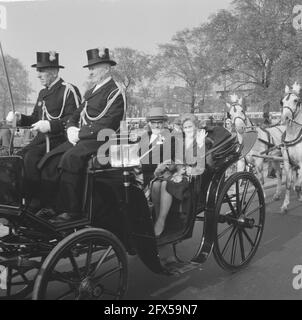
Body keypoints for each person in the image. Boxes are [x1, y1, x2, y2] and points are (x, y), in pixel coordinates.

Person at [36, 47, 126, 221]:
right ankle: (51, 205)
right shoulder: (91, 92)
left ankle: (71, 210)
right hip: (84, 138)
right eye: (89, 68)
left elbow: (109, 123)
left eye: (93, 68)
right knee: (50, 159)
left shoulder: (115, 92)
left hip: (102, 139)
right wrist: (70, 128)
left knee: (71, 158)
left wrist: (81, 133)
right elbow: (76, 114)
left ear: (106, 68)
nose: (90, 71)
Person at [6, 51, 81, 207]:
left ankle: (36, 202)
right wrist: (20, 118)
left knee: (31, 158)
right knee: (16, 158)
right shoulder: (42, 93)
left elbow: (75, 118)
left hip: (60, 139)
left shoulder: (68, 90)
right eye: (38, 71)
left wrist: (51, 125)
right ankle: (17, 199)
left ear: (54, 72)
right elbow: (35, 118)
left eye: (42, 71)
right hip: (41, 140)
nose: (38, 75)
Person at [152, 113, 206, 237]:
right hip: (177, 174)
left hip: (192, 178)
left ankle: (161, 221)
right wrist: (166, 165)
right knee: (155, 184)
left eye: (190, 127)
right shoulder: (180, 142)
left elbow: (204, 166)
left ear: (196, 127)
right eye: (185, 128)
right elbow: (177, 162)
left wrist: (201, 145)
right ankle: (158, 216)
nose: (187, 130)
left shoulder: (202, 141)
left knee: (166, 183)